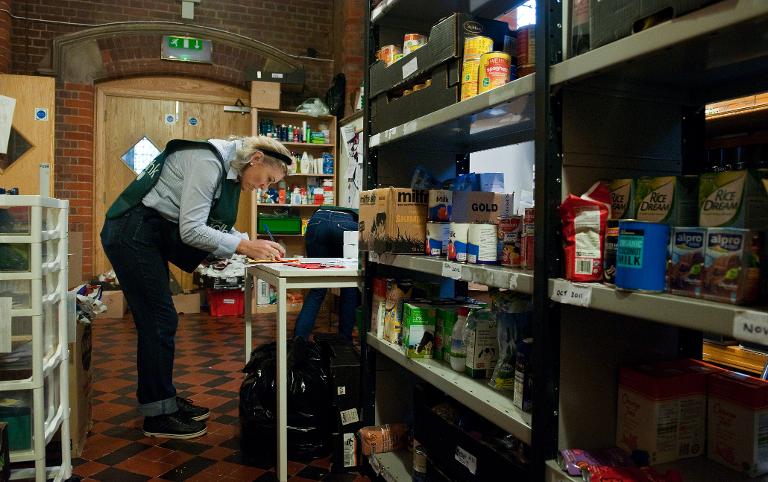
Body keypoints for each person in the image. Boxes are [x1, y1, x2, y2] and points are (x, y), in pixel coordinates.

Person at [101, 136, 291, 439]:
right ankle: (157, 414)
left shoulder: (228, 166)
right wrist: (244, 246)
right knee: (159, 320)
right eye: (267, 179)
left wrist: (250, 243)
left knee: (160, 319)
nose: (263, 187)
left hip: (148, 231)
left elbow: (212, 223)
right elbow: (191, 230)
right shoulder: (208, 162)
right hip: (132, 231)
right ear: (256, 159)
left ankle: (162, 399)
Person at [293, 208, 359, 340]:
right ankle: (345, 342)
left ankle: (298, 341)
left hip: (317, 221)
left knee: (317, 288)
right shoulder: (358, 212)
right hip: (346, 224)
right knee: (350, 285)